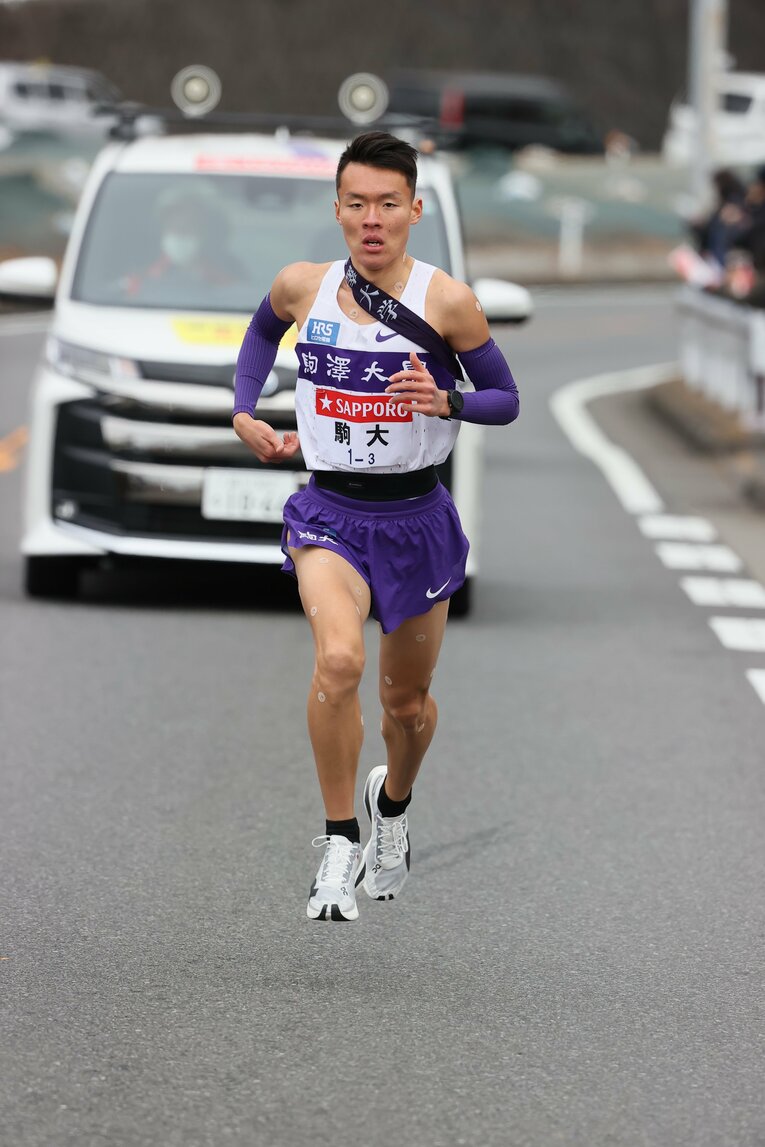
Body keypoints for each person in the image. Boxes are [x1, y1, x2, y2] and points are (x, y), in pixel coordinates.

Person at [232, 130, 519, 921]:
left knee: (407, 704)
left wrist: (448, 400)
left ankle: (391, 806)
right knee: (337, 660)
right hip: (329, 512)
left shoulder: (447, 301)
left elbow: (506, 398)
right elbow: (260, 333)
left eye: (387, 203)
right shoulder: (302, 286)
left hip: (415, 518)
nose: (371, 218)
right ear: (336, 209)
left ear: (413, 209)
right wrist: (243, 409)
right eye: (356, 203)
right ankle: (336, 841)